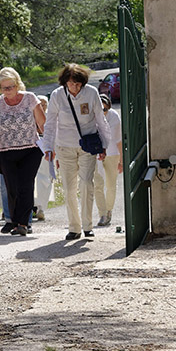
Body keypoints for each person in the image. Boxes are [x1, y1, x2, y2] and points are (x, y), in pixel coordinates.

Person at [42, 64, 111, 241]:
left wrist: (105, 144)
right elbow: (50, 124)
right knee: (68, 187)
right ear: (65, 82)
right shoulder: (57, 95)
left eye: (78, 84)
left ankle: (88, 225)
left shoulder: (91, 93)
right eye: (71, 84)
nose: (75, 88)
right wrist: (48, 147)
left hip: (87, 145)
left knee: (87, 183)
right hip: (64, 146)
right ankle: (74, 227)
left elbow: (100, 119)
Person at [0, 67, 46, 237]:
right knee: (12, 187)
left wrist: (50, 146)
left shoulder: (30, 99)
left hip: (30, 149)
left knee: (26, 185)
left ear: (17, 84)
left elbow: (43, 124)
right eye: (4, 88)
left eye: (11, 87)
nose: (8, 91)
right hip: (6, 151)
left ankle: (22, 223)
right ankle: (14, 219)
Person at [94, 93, 123, 227]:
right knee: (97, 185)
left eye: (105, 109)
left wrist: (122, 160)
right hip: (95, 155)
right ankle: (102, 214)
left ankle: (109, 210)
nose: (102, 112)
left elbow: (118, 141)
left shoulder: (114, 117)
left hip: (112, 154)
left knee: (111, 184)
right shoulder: (91, 116)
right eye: (100, 109)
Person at [32, 95, 53, 221]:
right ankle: (34, 207)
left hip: (46, 150)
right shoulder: (30, 117)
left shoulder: (51, 118)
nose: (43, 106)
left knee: (45, 180)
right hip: (34, 148)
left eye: (45, 104)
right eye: (40, 103)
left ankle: (42, 208)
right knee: (34, 179)